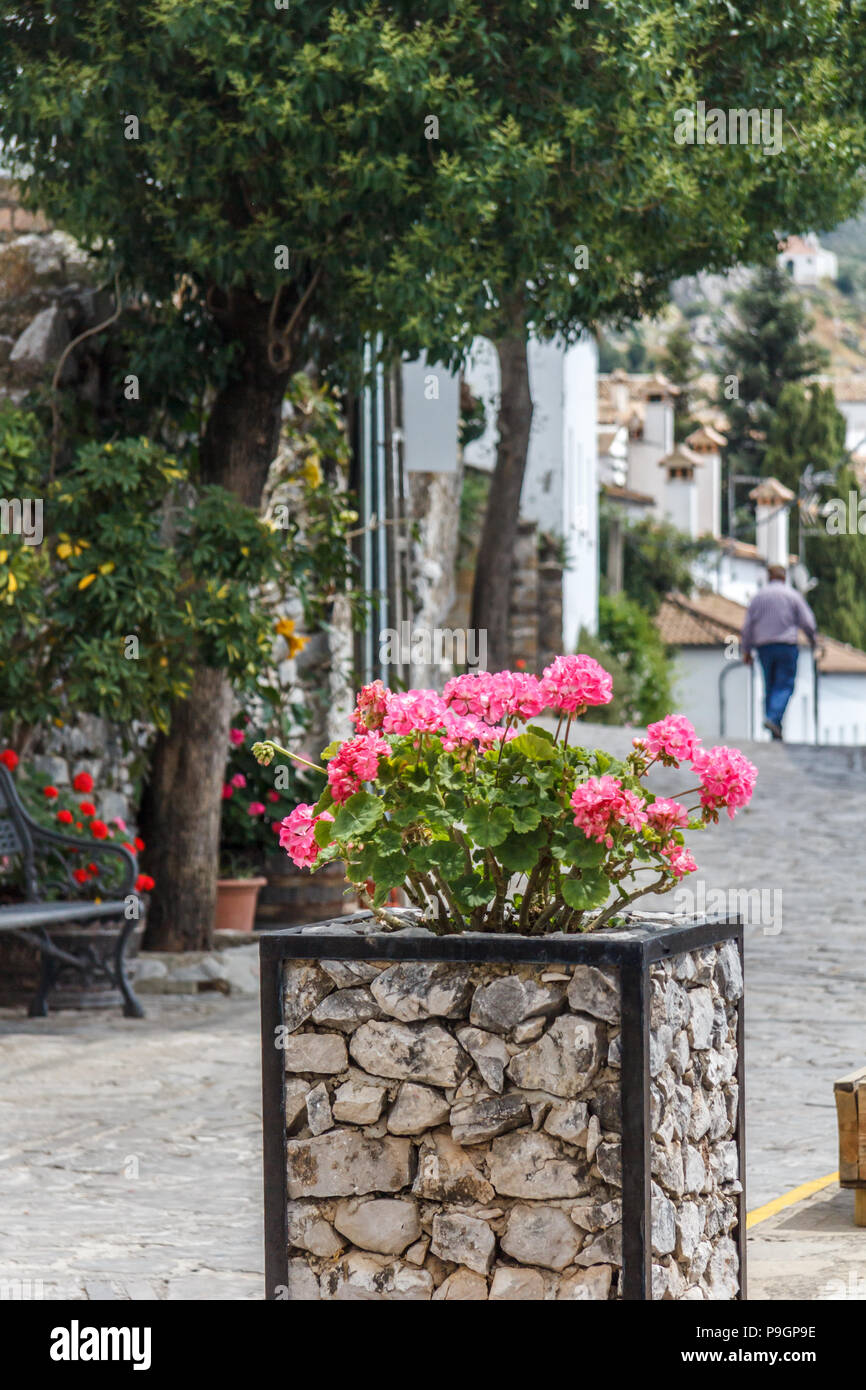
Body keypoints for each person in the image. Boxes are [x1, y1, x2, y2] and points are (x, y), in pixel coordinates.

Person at [740, 564, 818, 741]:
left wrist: (746, 650)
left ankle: (774, 725)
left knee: (770, 685)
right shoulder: (792, 595)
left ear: (769, 577)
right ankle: (773, 718)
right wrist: (813, 639)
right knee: (784, 684)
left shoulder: (758, 598)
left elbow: (747, 627)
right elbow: (808, 621)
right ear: (784, 578)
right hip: (786, 646)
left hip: (764, 647)